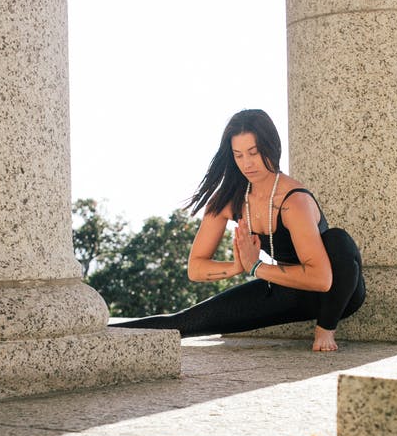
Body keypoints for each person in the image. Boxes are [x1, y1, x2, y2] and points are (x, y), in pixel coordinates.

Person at [108, 108, 365, 352]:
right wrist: (238, 266)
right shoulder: (230, 200)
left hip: (337, 293)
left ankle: (325, 328)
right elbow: (196, 268)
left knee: (338, 241)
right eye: (238, 155)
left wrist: (257, 268)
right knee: (184, 322)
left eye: (253, 152)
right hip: (281, 288)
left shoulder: (293, 201)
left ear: (271, 148)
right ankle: (103, 333)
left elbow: (322, 279)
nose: (247, 163)